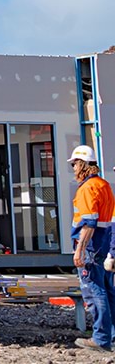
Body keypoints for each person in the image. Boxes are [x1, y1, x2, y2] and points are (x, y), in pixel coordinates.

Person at [69, 145, 115, 352]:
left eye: (74, 164)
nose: (73, 169)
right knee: (107, 291)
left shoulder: (87, 189)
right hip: (103, 244)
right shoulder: (104, 185)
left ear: (82, 164)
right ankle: (110, 335)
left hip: (91, 246)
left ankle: (101, 338)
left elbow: (89, 222)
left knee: (94, 291)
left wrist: (80, 250)